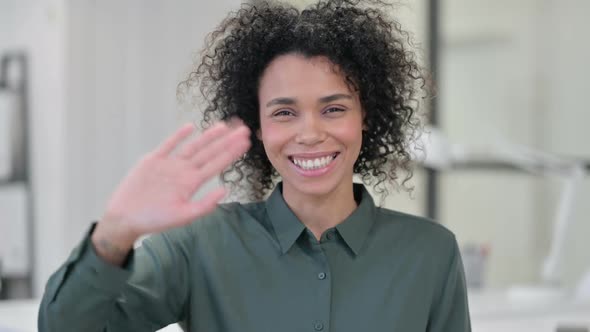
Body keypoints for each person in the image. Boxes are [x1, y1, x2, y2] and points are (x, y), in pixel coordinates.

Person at [38, 0, 471, 331]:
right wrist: (116, 232)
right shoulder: (199, 244)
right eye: (284, 112)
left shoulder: (430, 253)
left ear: (367, 118)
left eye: (334, 109)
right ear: (258, 127)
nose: (310, 132)